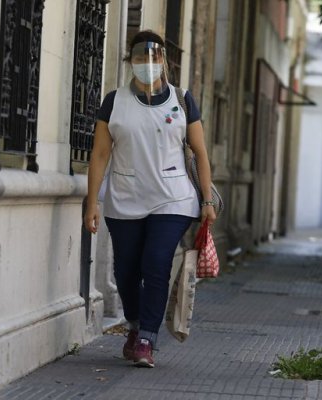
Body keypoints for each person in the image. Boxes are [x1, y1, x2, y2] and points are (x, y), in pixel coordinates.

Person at [84, 30, 216, 368]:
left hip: (172, 199)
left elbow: (199, 153)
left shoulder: (182, 99)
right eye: (141, 58)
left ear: (163, 62)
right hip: (125, 198)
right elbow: (100, 155)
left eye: (154, 57)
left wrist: (207, 200)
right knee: (126, 270)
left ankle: (147, 338)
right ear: (131, 62)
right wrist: (91, 202)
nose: (148, 63)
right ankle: (135, 324)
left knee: (156, 262)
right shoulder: (114, 102)